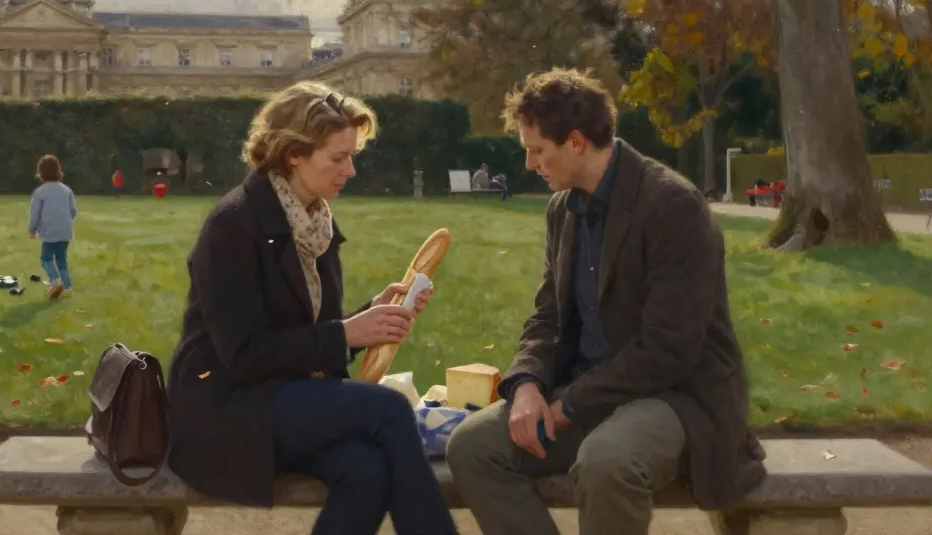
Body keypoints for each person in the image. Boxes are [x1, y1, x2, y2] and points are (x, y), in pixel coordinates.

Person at [445, 68, 766, 535]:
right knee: (473, 446)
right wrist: (528, 386)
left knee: (606, 463)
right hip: (586, 389)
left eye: (537, 151)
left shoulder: (673, 207)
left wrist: (569, 404)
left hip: (674, 396)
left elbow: (669, 350)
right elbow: (547, 316)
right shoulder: (563, 208)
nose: (530, 165)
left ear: (575, 142)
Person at [167, 81, 458, 535]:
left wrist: (373, 314)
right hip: (229, 409)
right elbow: (243, 356)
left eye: (351, 156)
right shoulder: (233, 225)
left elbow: (308, 330)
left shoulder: (313, 222)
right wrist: (347, 334)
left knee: (366, 470)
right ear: (293, 155)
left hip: (287, 399)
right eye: (338, 158)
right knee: (389, 410)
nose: (351, 171)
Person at [28, 154, 78, 300]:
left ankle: (55, 281)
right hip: (65, 232)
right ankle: (67, 288)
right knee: (62, 260)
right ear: (58, 171)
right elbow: (73, 210)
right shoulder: (66, 190)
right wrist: (65, 221)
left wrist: (32, 229)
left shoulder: (40, 192)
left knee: (46, 258)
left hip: (49, 232)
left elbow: (35, 213)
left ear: (41, 173)